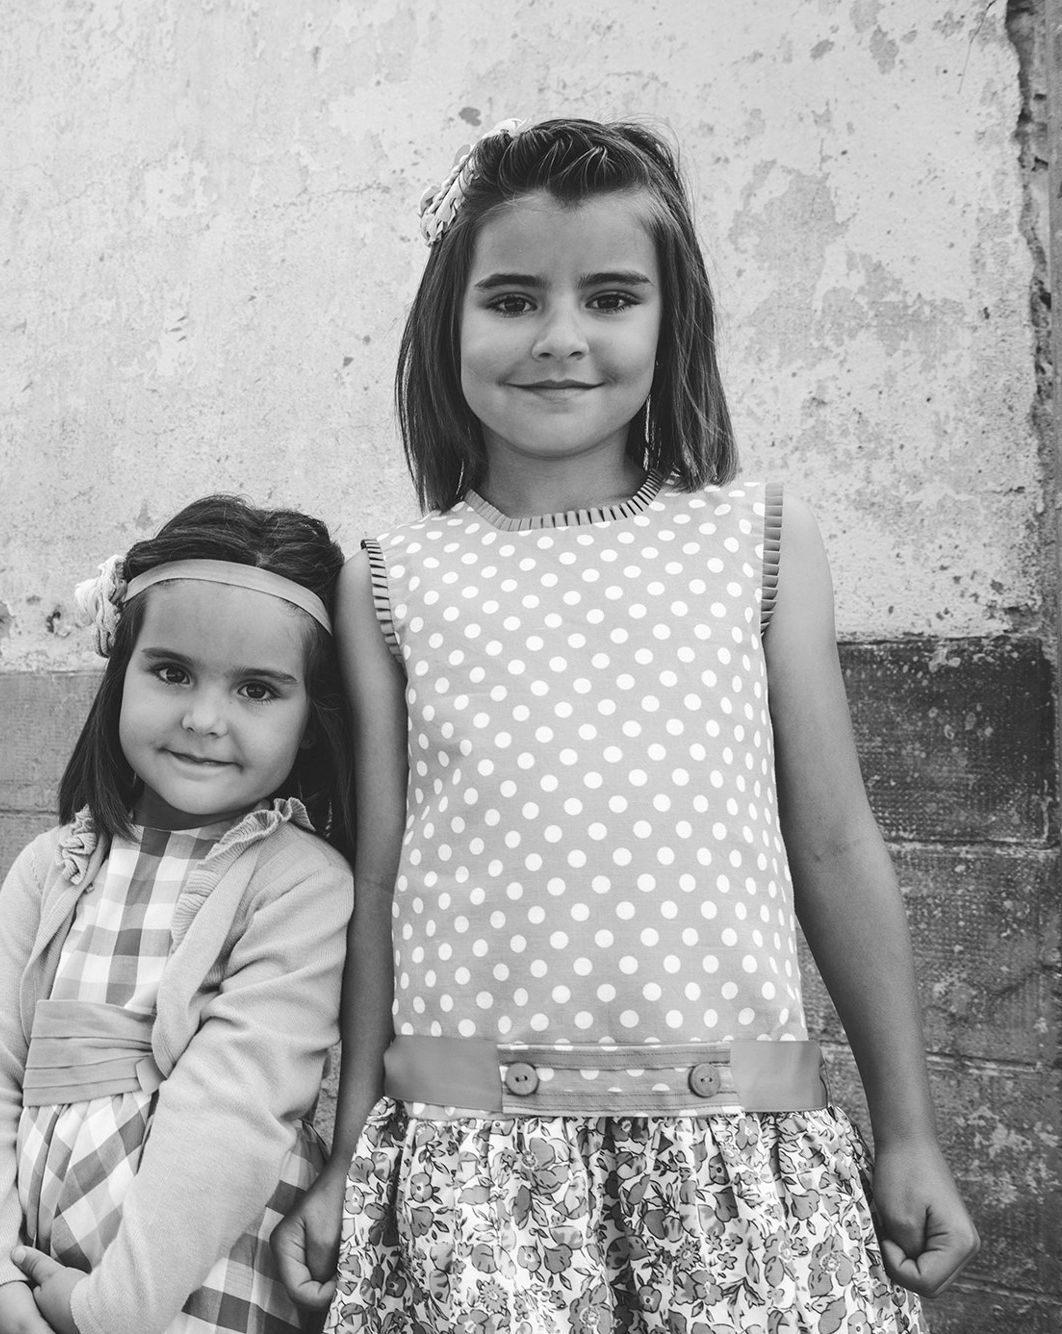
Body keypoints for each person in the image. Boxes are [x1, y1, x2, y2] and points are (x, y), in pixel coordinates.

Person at [271, 117, 982, 1332]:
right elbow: (383, 871)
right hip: (470, 1171)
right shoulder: (392, 575)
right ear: (448, 327)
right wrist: (345, 1155)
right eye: (508, 299)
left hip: (736, 1156)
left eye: (608, 295)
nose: (558, 336)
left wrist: (906, 1131)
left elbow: (830, 844)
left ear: (671, 322)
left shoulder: (756, 540)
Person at [0, 495, 356, 1334]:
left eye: (258, 689)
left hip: (190, 1280)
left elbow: (234, 1111)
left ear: (313, 720)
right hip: (26, 1274)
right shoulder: (51, 869)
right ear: (119, 670)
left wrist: (108, 1312)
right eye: (172, 672)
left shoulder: (297, 885)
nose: (205, 719)